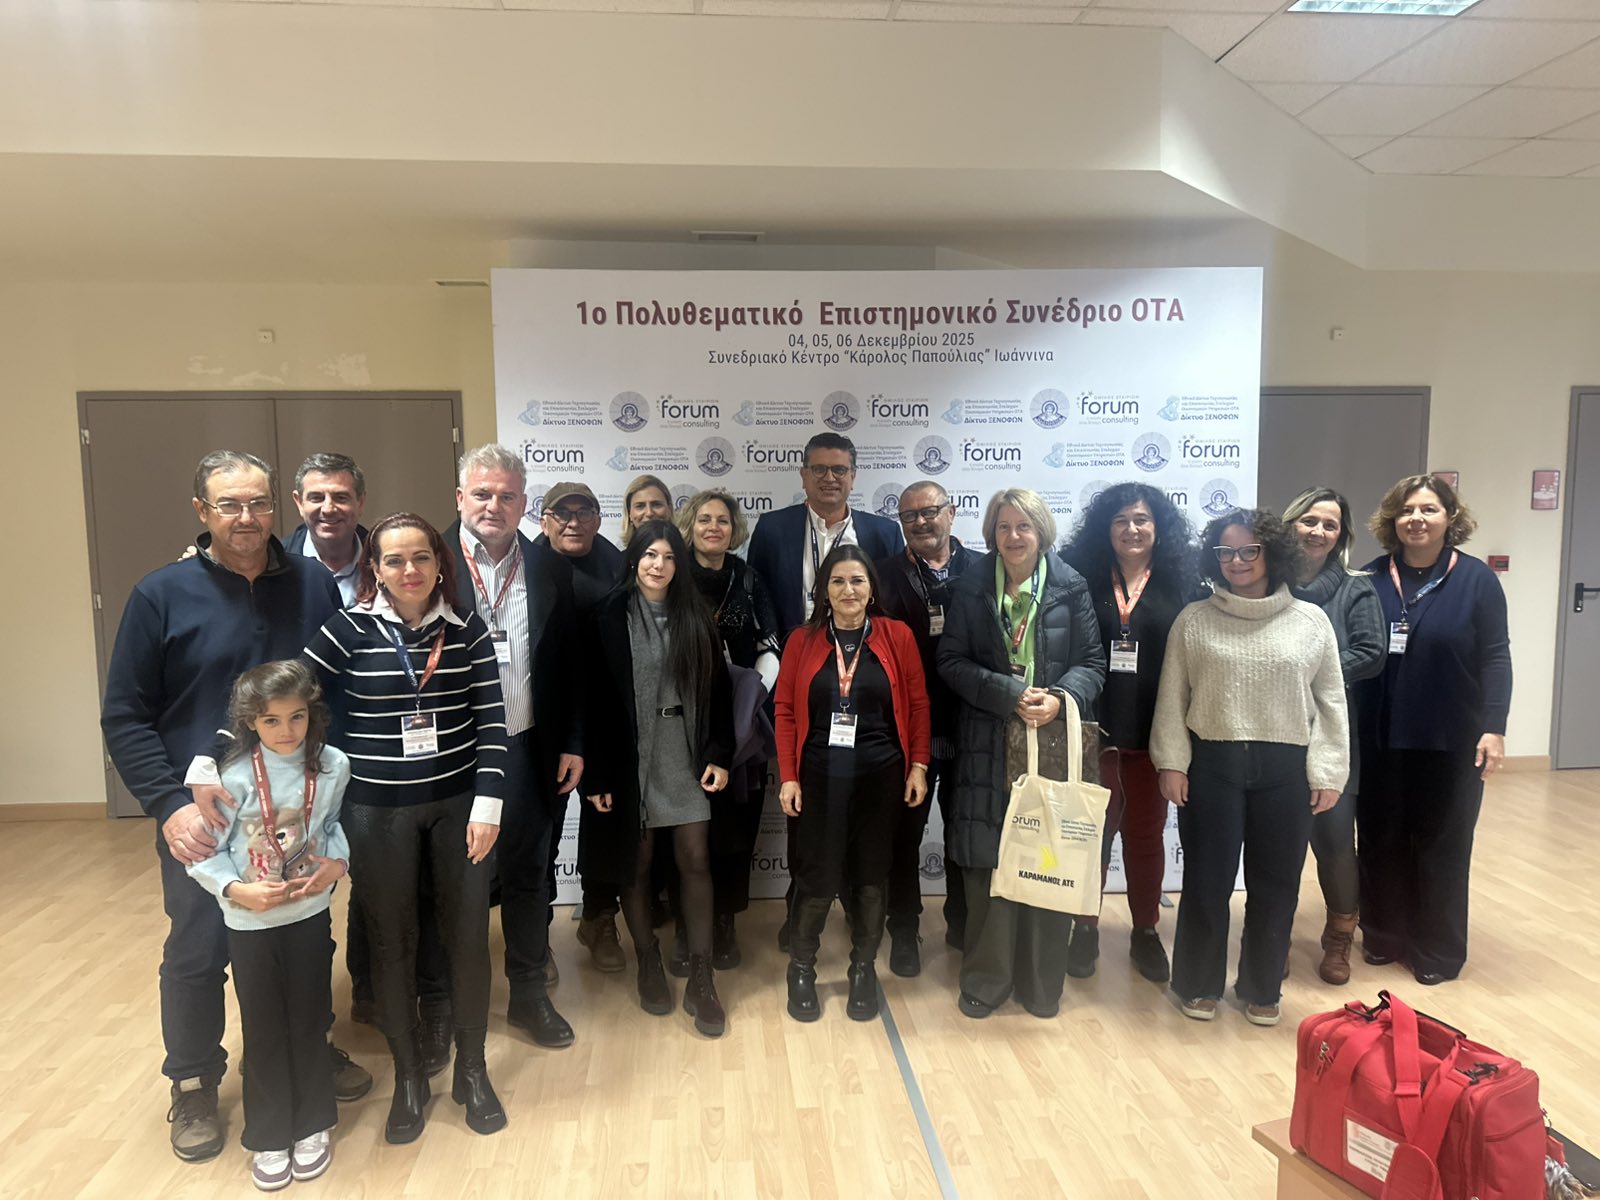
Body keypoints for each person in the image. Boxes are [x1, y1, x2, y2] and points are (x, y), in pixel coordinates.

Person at [100, 449, 368, 1164]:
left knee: (305, 940)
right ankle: (193, 1082)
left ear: (275, 506)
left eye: (258, 503)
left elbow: (333, 690)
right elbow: (124, 715)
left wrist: (333, 803)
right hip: (207, 818)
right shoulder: (160, 594)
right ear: (202, 512)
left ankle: (308, 1051)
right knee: (198, 949)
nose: (247, 517)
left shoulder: (313, 582)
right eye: (229, 505)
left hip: (299, 812)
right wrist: (168, 805)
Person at [303, 512, 509, 1142]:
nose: (409, 570)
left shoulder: (467, 628)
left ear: (440, 563)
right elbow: (289, 695)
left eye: (421, 557)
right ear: (375, 568)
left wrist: (488, 805)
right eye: (393, 560)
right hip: (376, 812)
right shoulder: (347, 629)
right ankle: (411, 1078)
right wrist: (219, 754)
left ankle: (472, 1071)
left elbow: (492, 721)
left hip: (458, 809)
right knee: (392, 941)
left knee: (467, 938)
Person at [1150, 509, 1348, 1027]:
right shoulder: (1194, 620)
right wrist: (1171, 761)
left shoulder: (1311, 621)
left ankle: (1262, 988)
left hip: (1286, 769)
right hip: (1212, 764)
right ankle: (1198, 984)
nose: (1235, 561)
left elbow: (1331, 701)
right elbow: (1172, 698)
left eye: (1248, 551)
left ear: (1273, 553)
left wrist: (1329, 770)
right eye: (1225, 552)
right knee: (1206, 882)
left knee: (1277, 885)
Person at [937, 488, 1105, 1020]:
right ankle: (986, 982)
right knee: (989, 861)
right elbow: (951, 661)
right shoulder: (969, 587)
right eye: (1004, 526)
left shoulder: (1071, 585)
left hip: (1049, 744)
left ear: (1041, 531)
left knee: (1047, 858)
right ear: (992, 532)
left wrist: (1059, 698)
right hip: (985, 741)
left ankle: (1040, 984)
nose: (1014, 536)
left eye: (1024, 526)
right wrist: (1009, 694)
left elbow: (1093, 663)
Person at [187, 661, 351, 1191]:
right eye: (271, 720)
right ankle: (269, 1133)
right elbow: (203, 854)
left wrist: (338, 864)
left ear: (312, 714)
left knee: (310, 1019)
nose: (286, 731)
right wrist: (236, 890)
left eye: (297, 717)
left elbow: (331, 826)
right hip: (249, 922)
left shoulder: (333, 766)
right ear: (250, 722)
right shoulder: (231, 777)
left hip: (309, 913)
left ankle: (314, 1124)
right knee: (262, 1027)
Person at [446, 445, 584, 1047]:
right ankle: (452, 1006)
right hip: (454, 756)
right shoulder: (430, 560)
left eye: (506, 496)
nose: (493, 506)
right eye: (482, 494)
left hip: (528, 748)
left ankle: (528, 996)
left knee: (530, 877)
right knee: (458, 885)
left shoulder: (549, 566)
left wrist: (572, 739)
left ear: (524, 503)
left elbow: (569, 662)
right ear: (460, 498)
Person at [580, 521, 735, 1035]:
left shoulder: (696, 616)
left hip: (684, 753)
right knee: (638, 863)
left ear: (679, 565)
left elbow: (720, 694)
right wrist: (597, 775)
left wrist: (719, 754)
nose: (659, 565)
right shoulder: (608, 615)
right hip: (630, 758)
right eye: (650, 555)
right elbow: (593, 703)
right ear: (635, 558)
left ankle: (702, 977)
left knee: (695, 859)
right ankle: (647, 959)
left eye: (669, 557)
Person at [1355, 475, 1510, 986]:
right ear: (1392, 520)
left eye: (1429, 509)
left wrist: (1494, 726)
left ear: (1450, 518)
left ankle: (1437, 950)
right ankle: (1383, 935)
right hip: (1380, 734)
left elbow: (1495, 656)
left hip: (1452, 736)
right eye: (1406, 511)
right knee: (1380, 838)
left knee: (1443, 844)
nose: (1416, 519)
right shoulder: (1371, 577)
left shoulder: (1477, 580)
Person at [774, 544, 931, 1022]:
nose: (848, 590)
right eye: (838, 581)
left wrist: (918, 765)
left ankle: (863, 967)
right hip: (820, 775)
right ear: (824, 590)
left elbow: (918, 705)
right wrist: (788, 777)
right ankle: (802, 968)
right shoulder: (801, 640)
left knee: (870, 876)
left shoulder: (897, 635)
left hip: (881, 775)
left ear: (871, 589)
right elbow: (784, 711)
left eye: (857, 581)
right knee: (817, 876)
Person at [1059, 482, 1199, 985]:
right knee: (1090, 837)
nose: (1132, 529)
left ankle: (1145, 930)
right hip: (1093, 732)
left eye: (1141, 520)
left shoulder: (1183, 584)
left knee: (1145, 837)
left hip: (1153, 734)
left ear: (1159, 528)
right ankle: (1085, 928)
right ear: (1106, 528)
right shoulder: (1082, 578)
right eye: (1121, 520)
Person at [873, 480, 980, 976]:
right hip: (906, 728)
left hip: (971, 726)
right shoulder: (883, 576)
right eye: (909, 515)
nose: (920, 522)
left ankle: (963, 922)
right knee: (902, 836)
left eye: (930, 511)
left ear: (951, 512)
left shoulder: (984, 569)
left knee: (965, 832)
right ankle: (903, 928)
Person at [1282, 487, 1385, 985]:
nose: (1318, 531)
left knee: (1335, 841)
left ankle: (1340, 936)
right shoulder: (1266, 583)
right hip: (1275, 735)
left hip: (1332, 735)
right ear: (1291, 525)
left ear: (1340, 536)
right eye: (1309, 521)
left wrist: (1307, 670)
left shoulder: (1355, 589)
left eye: (1330, 524)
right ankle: (1272, 935)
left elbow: (1372, 652)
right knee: (1277, 843)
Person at [678, 488, 781, 969]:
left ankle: (724, 921)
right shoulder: (672, 572)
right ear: (690, 526)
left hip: (741, 723)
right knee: (686, 829)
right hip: (682, 718)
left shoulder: (748, 577)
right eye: (704, 519)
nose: (713, 527)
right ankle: (688, 922)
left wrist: (752, 694)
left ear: (734, 528)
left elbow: (770, 641)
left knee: (735, 829)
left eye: (722, 520)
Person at [533, 481, 630, 974]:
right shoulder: (523, 566)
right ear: (544, 519)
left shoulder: (618, 566)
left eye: (584, 511)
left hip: (607, 718)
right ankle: (537, 934)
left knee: (606, 822)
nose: (573, 521)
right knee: (543, 830)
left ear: (598, 517)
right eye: (562, 512)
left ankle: (599, 917)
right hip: (546, 720)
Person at [747, 432, 905, 641]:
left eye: (839, 470)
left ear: (852, 477)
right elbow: (755, 596)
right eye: (819, 469)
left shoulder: (885, 533)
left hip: (865, 650)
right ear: (804, 475)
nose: (829, 478)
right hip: (792, 649)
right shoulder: (772, 529)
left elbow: (895, 602)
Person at [285, 452, 369, 606]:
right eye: (316, 498)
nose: (328, 509)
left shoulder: (386, 559)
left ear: (360, 503)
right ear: (299, 503)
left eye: (341, 497)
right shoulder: (272, 563)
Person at [620, 473, 673, 546]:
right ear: (629, 513)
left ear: (669, 509)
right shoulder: (615, 554)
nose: (649, 513)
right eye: (640, 506)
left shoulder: (684, 553)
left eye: (657, 505)